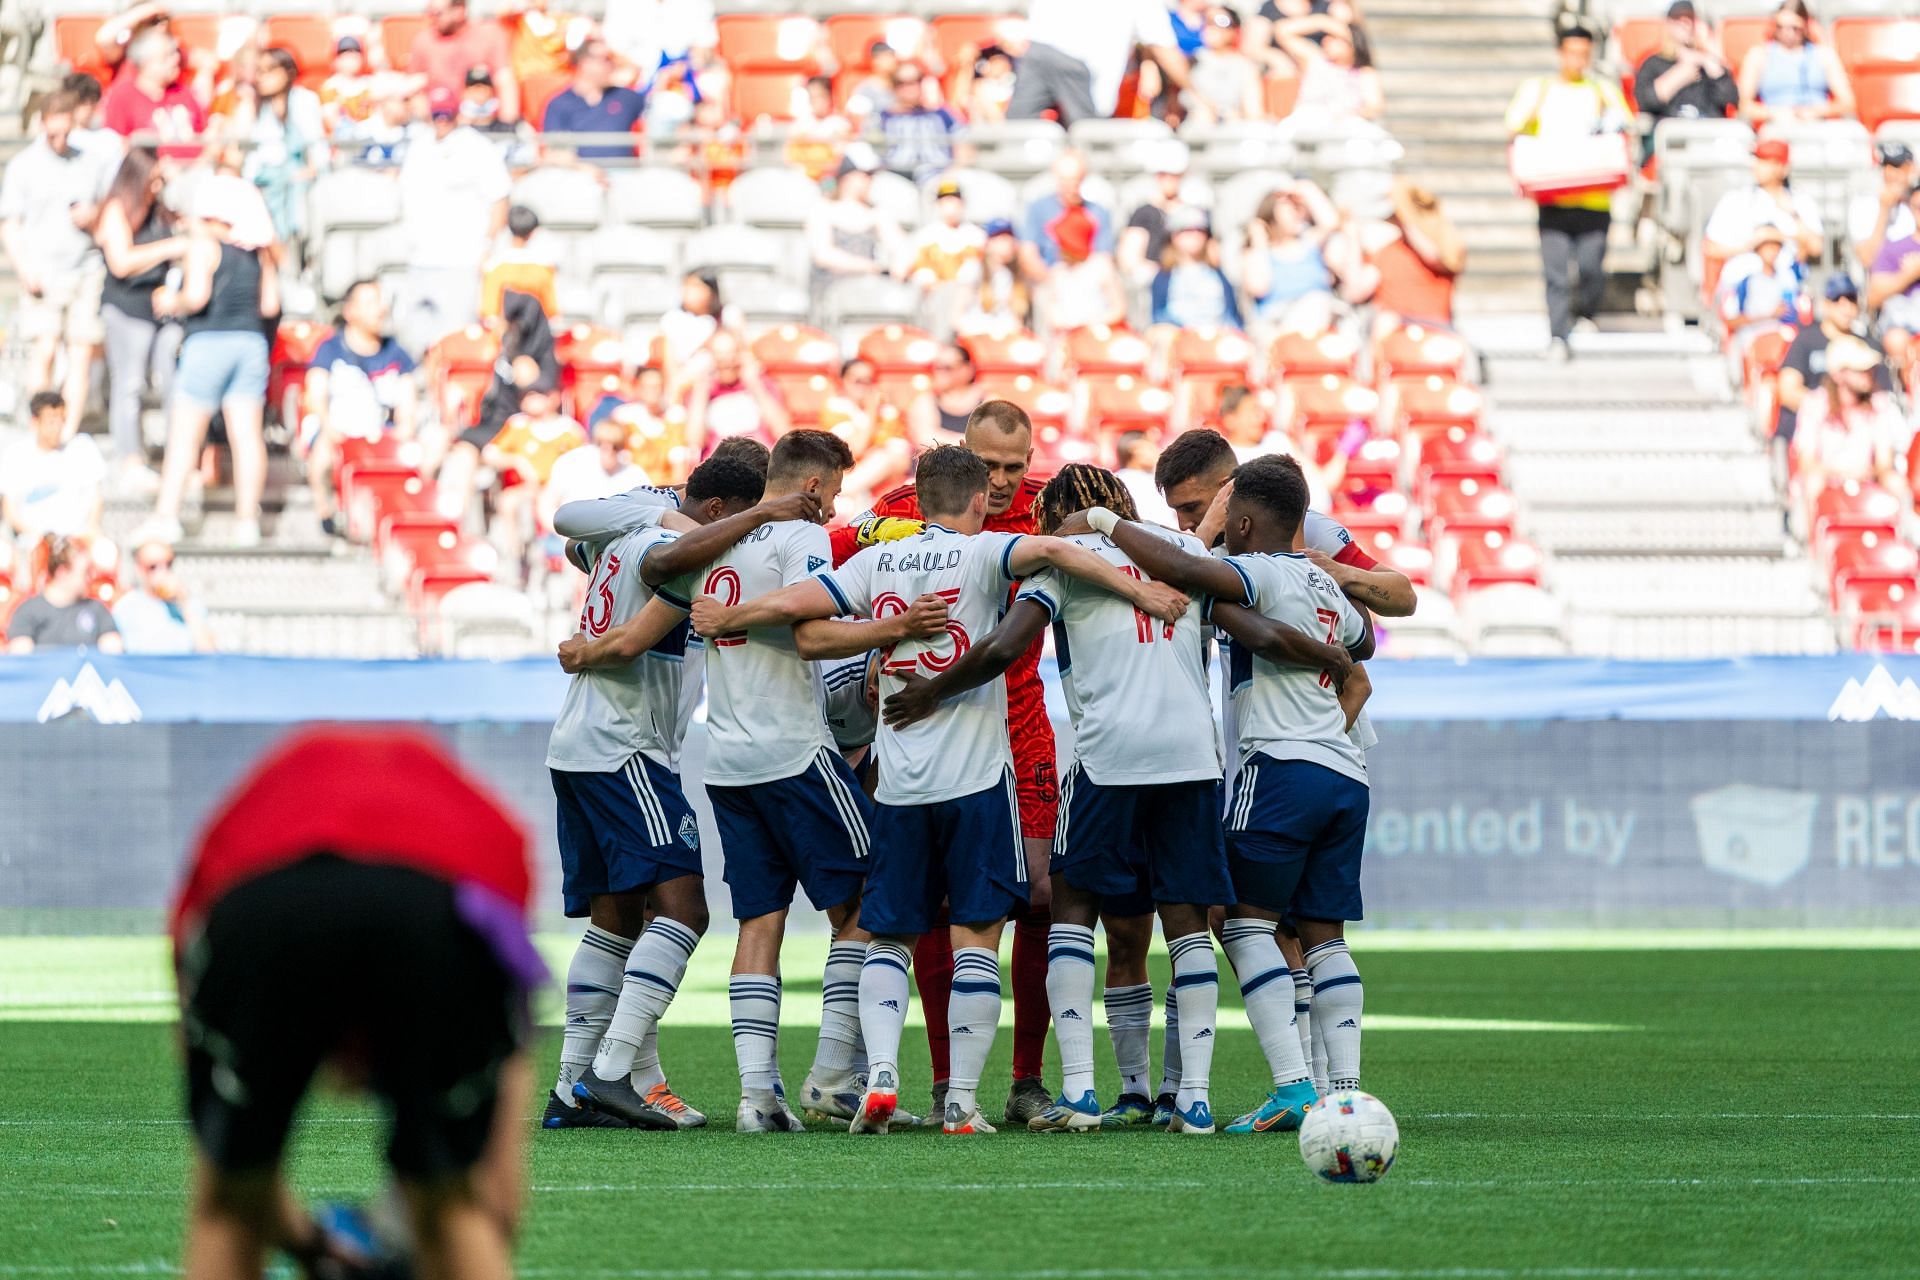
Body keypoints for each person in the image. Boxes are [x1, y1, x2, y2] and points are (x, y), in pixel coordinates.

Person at [688, 443, 1188, 1134]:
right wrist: (1140, 590)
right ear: (982, 498)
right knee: (976, 933)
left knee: (890, 934)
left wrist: (732, 618)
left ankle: (884, 1078)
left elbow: (807, 626)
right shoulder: (986, 553)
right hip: (976, 778)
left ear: (917, 500)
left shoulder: (875, 560)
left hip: (897, 783)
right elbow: (1066, 556)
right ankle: (960, 1103)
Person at [573, 433, 942, 1130]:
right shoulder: (800, 536)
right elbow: (811, 634)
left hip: (729, 763)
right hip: (795, 753)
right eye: (831, 492)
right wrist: (893, 629)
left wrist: (586, 646)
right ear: (811, 485)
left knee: (759, 920)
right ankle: (835, 1072)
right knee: (877, 896)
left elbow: (646, 611)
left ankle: (757, 1097)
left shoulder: (708, 548)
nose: (832, 506)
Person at [878, 464, 1233, 1133]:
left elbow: (1009, 645)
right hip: (1192, 755)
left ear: (1055, 517)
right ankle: (1194, 1100)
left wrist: (933, 690)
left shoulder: (1059, 566)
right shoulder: (1181, 552)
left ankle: (1079, 1091)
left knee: (1069, 906)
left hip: (1110, 755)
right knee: (1186, 920)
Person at [171, 728, 540, 1278]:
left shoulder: (217, 890)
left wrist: (309, 1246)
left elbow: (234, 1175)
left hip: (265, 897)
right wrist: (437, 1212)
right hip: (442, 899)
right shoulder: (482, 865)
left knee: (226, 1209)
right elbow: (499, 1201)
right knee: (458, 1207)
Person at [1091, 454, 1375, 1130]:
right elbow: (1361, 641)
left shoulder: (1259, 569)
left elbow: (1185, 570)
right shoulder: (1323, 583)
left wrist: (1106, 521)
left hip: (1277, 766)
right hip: (1345, 771)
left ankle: (1293, 1086)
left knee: (1242, 923)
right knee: (1324, 937)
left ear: (1243, 522)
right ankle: (1346, 1091)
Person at [544, 456, 812, 1129]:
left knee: (618, 920)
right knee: (686, 908)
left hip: (581, 745)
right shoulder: (673, 546)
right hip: (625, 749)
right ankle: (608, 1074)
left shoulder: (625, 532)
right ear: (723, 509)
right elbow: (655, 580)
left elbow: (579, 540)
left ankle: (572, 1086)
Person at [824, 403, 1059, 1125]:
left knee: (1041, 900)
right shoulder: (903, 509)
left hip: (1018, 725)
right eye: (989, 467)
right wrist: (874, 652)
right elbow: (831, 554)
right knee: (936, 908)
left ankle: (1024, 1083)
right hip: (924, 727)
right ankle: (943, 1085)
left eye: (1015, 468)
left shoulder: (1047, 510)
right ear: (963, 457)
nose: (1002, 482)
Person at [147, 175, 279, 549]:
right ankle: (247, 521)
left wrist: (171, 302)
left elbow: (197, 296)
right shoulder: (260, 251)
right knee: (247, 436)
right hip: (251, 343)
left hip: (209, 341)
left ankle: (166, 516)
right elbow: (270, 305)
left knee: (185, 435)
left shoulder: (204, 247)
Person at [1504, 25, 1630, 361]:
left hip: (1594, 198)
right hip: (1554, 197)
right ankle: (1558, 334)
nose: (1578, 60)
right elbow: (1513, 124)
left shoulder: (1602, 90)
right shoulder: (1539, 88)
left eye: (1584, 54)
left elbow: (1624, 125)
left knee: (1590, 266)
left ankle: (1584, 311)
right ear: (1560, 53)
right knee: (1556, 272)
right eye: (1572, 53)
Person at [1, 88, 115, 442]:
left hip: (85, 268)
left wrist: (92, 215)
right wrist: (23, 267)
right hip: (43, 270)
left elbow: (108, 211)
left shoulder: (89, 161)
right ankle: (41, 425)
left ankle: (66, 430)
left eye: (66, 133)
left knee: (80, 353)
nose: (60, 140)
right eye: (54, 133)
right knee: (45, 348)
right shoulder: (24, 166)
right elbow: (10, 223)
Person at [396, 86, 511, 356]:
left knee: (456, 341)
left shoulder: (477, 147)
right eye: (437, 115)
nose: (441, 121)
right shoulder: (418, 146)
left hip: (461, 261)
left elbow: (500, 198)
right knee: (416, 342)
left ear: (458, 113)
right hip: (419, 260)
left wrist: (487, 246)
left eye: (446, 115)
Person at [94, 146, 186, 484]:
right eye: (153, 179)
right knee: (129, 384)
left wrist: (176, 181)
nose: (157, 186)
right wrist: (167, 249)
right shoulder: (117, 209)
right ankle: (129, 458)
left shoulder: (159, 210)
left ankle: (180, 458)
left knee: (174, 382)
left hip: (161, 309)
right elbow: (121, 262)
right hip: (127, 307)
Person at [302, 280, 420, 538]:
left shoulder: (397, 353)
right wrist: (328, 427)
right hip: (339, 430)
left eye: (379, 302)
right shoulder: (329, 349)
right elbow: (315, 394)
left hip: (381, 432)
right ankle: (327, 514)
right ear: (350, 311)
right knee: (322, 455)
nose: (379, 310)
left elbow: (408, 399)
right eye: (369, 303)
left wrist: (405, 427)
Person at [1790, 337, 1911, 532]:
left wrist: (1866, 472)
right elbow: (1807, 463)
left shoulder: (1880, 404)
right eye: (1860, 369)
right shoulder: (1814, 404)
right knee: (1812, 482)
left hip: (1868, 476)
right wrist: (1841, 472)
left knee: (1896, 483)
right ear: (1838, 374)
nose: (1868, 374)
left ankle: (1906, 543)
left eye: (1868, 369)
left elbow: (1884, 462)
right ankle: (1810, 547)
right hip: (1827, 477)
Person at [1010, 0, 1191, 126]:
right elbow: (1165, 49)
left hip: (1039, 51)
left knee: (1017, 133)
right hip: (1080, 70)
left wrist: (1147, 63)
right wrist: (1199, 94)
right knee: (1089, 138)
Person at [228, 46, 325, 245]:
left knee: (296, 192)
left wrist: (309, 170)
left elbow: (318, 149)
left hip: (296, 177)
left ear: (287, 72)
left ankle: (294, 251)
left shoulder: (304, 101)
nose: (262, 77)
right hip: (260, 177)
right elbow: (239, 152)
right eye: (259, 71)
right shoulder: (252, 105)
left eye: (270, 70)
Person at [3, 393, 105, 575]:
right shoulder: (16, 455)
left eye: (61, 420)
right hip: (34, 539)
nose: (58, 427)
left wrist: (90, 528)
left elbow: (96, 499)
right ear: (35, 422)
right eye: (51, 421)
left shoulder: (82, 448)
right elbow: (10, 511)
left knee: (106, 553)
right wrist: (40, 536)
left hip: (77, 536)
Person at [1776, 275, 1885, 444]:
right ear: (1826, 304)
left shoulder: (1868, 346)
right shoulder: (1805, 340)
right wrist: (1830, 409)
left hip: (1859, 431)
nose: (1846, 307)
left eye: (1851, 300)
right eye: (1837, 300)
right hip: (1812, 430)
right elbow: (1787, 391)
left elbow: (1881, 393)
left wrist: (1852, 414)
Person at [1241, 178, 1350, 336]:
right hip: (1278, 328)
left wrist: (1306, 188)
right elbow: (1258, 286)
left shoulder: (1310, 243)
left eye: (1298, 207)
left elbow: (1331, 222)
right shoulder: (1257, 252)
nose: (1297, 212)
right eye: (1289, 207)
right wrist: (1259, 243)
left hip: (1319, 324)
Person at [1633, 1, 1738, 158]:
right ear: (1668, 24)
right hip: (1673, 140)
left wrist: (1708, 56)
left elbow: (1730, 99)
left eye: (1690, 20)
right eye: (1679, 20)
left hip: (1708, 136)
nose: (1686, 25)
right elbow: (1647, 101)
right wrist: (1680, 74)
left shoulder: (1708, 64)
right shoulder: (1654, 63)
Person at [1702, 138, 1824, 269]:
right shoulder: (1737, 199)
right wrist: (1751, 244)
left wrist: (1778, 233)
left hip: (1787, 281)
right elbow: (1711, 248)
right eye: (1757, 160)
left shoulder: (1799, 201)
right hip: (1743, 281)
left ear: (1782, 167)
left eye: (1765, 161)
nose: (1756, 166)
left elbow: (1816, 247)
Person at [1738, 0, 1853, 126]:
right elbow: (1744, 105)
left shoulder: (1824, 55)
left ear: (1805, 26)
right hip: (1776, 126)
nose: (1787, 33)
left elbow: (1847, 103)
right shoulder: (1759, 55)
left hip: (1817, 126)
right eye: (1780, 27)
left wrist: (1817, 111)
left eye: (1794, 28)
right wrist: (1773, 113)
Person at [807, 151, 905, 299]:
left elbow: (900, 246)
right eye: (866, 175)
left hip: (867, 290)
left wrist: (900, 263)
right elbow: (823, 255)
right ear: (848, 176)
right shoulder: (822, 209)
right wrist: (870, 267)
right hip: (829, 292)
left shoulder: (876, 212)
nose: (870, 181)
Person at [101, 27, 208, 155]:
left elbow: (203, 134)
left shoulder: (183, 92)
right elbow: (114, 146)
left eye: (175, 53)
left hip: (195, 170)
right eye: (166, 56)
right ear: (146, 64)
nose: (176, 60)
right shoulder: (124, 96)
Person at [5, 536, 121, 654]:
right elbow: (21, 659)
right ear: (62, 572)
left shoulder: (97, 610)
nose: (91, 578)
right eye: (86, 572)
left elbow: (113, 654)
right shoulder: (28, 611)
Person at [685, 330, 791, 459]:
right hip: (720, 466)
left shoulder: (762, 385)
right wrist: (701, 390)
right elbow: (694, 442)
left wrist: (754, 384)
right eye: (720, 355)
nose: (727, 361)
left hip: (759, 463)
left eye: (732, 353)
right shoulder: (702, 392)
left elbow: (782, 432)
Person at [410, 0, 520, 122]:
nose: (430, 19)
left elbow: (505, 81)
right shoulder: (423, 40)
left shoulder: (489, 34)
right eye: (428, 12)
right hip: (439, 122)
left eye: (437, 13)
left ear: (460, 10)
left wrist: (508, 125)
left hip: (482, 121)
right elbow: (414, 87)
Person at [539, 38, 646, 163]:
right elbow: (555, 153)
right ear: (585, 63)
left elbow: (657, 117)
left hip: (626, 175)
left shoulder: (627, 98)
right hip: (579, 177)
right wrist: (584, 169)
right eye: (606, 59)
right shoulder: (559, 104)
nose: (612, 65)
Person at [1716, 223, 1805, 363]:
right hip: (1752, 341)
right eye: (1767, 245)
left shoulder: (1788, 278)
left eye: (1776, 245)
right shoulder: (1743, 279)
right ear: (1758, 248)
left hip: (1783, 338)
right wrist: (1768, 315)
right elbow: (1731, 320)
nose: (1773, 250)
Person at [113, 535, 216, 653]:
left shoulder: (190, 604)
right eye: (153, 566)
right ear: (139, 568)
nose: (162, 571)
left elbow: (209, 652)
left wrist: (184, 604)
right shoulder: (125, 607)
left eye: (168, 564)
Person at [1019, 150, 1114, 276]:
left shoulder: (1098, 212)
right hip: (1050, 278)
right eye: (1065, 180)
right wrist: (1050, 282)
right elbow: (1028, 254)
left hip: (1088, 279)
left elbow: (1104, 257)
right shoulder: (1038, 209)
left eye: (1076, 180)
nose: (1071, 186)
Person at [1272, 15, 1383, 122]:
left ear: (1353, 44)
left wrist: (1346, 115)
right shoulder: (1315, 59)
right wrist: (1322, 22)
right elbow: (1282, 31)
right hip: (1309, 124)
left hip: (1345, 128)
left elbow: (1374, 107)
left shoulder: (1365, 73)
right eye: (1327, 36)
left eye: (1334, 38)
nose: (1326, 41)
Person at [1039, 205, 1127, 332]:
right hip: (1068, 336)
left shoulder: (1100, 266)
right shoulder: (1058, 271)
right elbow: (1052, 309)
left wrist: (1091, 323)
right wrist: (1060, 321)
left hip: (1098, 333)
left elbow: (1119, 309)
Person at [1150, 208, 1242, 330]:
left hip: (1216, 336)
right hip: (1178, 338)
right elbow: (1158, 318)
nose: (1194, 234)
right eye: (1186, 230)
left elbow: (1232, 316)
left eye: (1199, 230)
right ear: (1173, 236)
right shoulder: (1164, 277)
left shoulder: (1219, 274)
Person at [905, 179, 985, 318]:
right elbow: (916, 270)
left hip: (968, 301)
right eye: (945, 201)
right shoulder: (926, 236)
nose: (950, 206)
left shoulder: (977, 236)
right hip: (934, 301)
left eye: (954, 201)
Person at [878, 64, 970, 184]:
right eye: (900, 83)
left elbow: (963, 143)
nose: (908, 87)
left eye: (914, 81)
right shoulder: (883, 117)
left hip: (939, 175)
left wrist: (954, 170)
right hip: (896, 177)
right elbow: (871, 151)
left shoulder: (941, 114)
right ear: (893, 86)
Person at [1119, 141, 1194, 286]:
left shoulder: (1194, 212)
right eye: (1163, 174)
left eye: (1174, 175)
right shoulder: (1144, 213)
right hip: (1154, 283)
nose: (1168, 179)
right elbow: (1129, 259)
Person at [1866, 181, 1920, 369]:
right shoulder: (1894, 248)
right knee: (1897, 340)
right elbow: (1873, 297)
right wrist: (1909, 275)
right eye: (1918, 207)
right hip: (1904, 324)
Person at [1183, 6, 1265, 123]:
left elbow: (1253, 111)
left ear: (1234, 30)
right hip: (1195, 129)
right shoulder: (1190, 60)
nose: (1210, 27)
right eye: (1207, 20)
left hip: (1230, 129)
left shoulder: (1245, 67)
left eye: (1220, 21)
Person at [954, 219, 1037, 334]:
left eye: (1010, 238)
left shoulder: (1017, 274)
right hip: (977, 334)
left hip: (1006, 336)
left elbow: (1018, 319)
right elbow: (956, 316)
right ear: (988, 243)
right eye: (1001, 238)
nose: (1007, 243)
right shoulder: (973, 269)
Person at [480, 205, 560, 321]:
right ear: (533, 233)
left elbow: (489, 311)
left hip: (504, 334)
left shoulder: (494, 267)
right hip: (535, 334)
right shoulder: (544, 267)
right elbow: (552, 311)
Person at [1850, 143, 1916, 274]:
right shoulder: (1863, 205)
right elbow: (1867, 258)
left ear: (1911, 169)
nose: (1890, 173)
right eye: (1886, 166)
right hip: (1881, 287)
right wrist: (1884, 209)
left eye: (1898, 167)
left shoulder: (1916, 203)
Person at [906, 343, 986, 450]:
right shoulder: (925, 402)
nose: (939, 373)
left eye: (947, 368)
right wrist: (969, 443)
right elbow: (925, 439)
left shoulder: (988, 402)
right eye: (937, 367)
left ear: (968, 369)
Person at [1114, 431, 1175, 526]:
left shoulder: (1154, 478)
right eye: (1150, 447)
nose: (1156, 451)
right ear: (1134, 448)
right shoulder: (1118, 480)